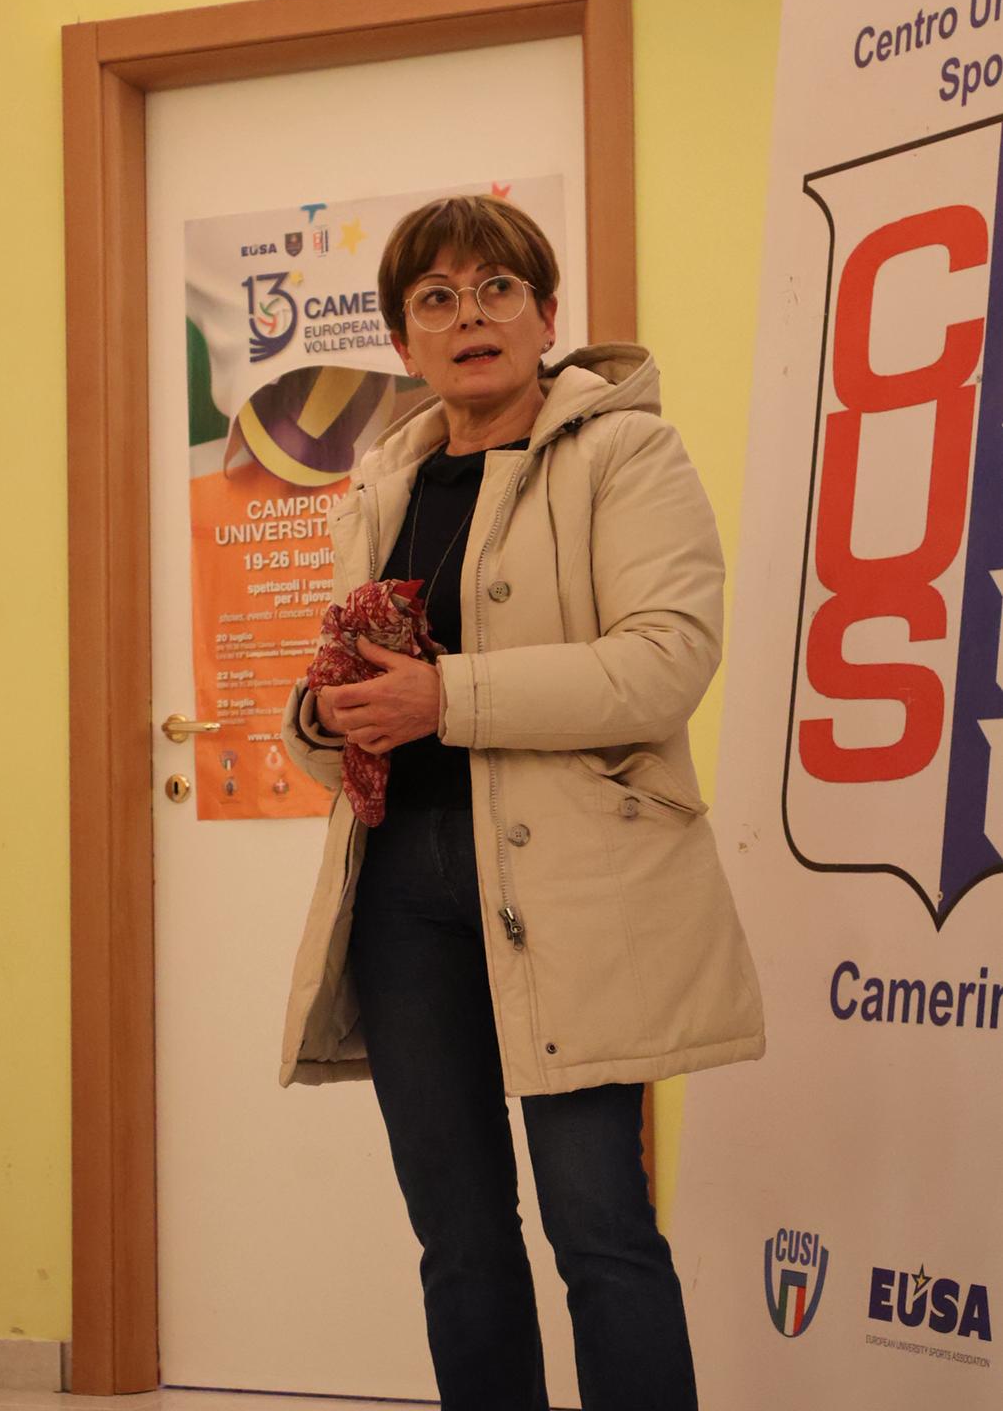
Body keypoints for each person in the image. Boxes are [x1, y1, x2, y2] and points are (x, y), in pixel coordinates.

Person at [278, 193, 764, 1410]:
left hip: (579, 888)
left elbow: (665, 661)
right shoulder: (382, 483)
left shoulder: (625, 454)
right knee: (457, 1240)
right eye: (435, 298)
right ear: (402, 341)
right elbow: (368, 694)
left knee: (600, 1231)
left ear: (546, 315)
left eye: (496, 288)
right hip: (401, 891)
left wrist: (444, 698)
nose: (469, 316)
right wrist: (325, 718)